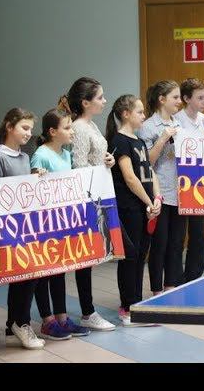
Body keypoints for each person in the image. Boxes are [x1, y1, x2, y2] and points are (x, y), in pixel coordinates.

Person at [0, 108, 46, 350]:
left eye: (31, 129)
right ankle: (21, 323)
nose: (29, 133)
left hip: (28, 227)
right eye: (24, 127)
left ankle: (13, 325)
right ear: (10, 127)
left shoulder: (24, 157)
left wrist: (35, 177)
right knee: (24, 276)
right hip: (10, 229)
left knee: (27, 277)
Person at [31, 107, 91, 340]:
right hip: (44, 223)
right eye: (67, 128)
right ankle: (47, 321)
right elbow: (33, 186)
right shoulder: (41, 155)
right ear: (52, 131)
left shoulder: (66, 154)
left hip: (62, 222)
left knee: (59, 271)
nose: (72, 131)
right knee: (44, 273)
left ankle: (62, 318)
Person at [65, 77, 116, 331]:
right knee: (85, 259)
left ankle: (89, 311)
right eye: (99, 97)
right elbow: (79, 165)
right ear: (85, 102)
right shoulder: (79, 128)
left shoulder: (92, 125)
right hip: (88, 198)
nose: (104, 101)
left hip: (100, 195)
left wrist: (107, 160)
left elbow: (94, 157)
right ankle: (88, 312)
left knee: (93, 256)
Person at [107, 94, 161, 325]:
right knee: (129, 257)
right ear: (126, 114)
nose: (143, 115)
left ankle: (137, 304)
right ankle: (127, 308)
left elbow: (150, 171)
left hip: (145, 207)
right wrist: (148, 202)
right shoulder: (119, 141)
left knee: (140, 256)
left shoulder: (139, 141)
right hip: (129, 207)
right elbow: (129, 178)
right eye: (139, 112)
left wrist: (156, 198)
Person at [137, 80, 185, 295]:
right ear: (162, 99)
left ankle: (171, 285)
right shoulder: (148, 127)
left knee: (176, 243)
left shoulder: (179, 123)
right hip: (160, 193)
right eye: (175, 97)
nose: (179, 101)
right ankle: (157, 288)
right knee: (160, 243)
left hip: (180, 192)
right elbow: (147, 161)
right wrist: (164, 137)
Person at [174, 78, 204, 283]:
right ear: (187, 99)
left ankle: (194, 276)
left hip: (199, 184)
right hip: (180, 184)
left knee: (198, 234)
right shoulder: (176, 120)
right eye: (200, 98)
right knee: (178, 235)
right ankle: (176, 278)